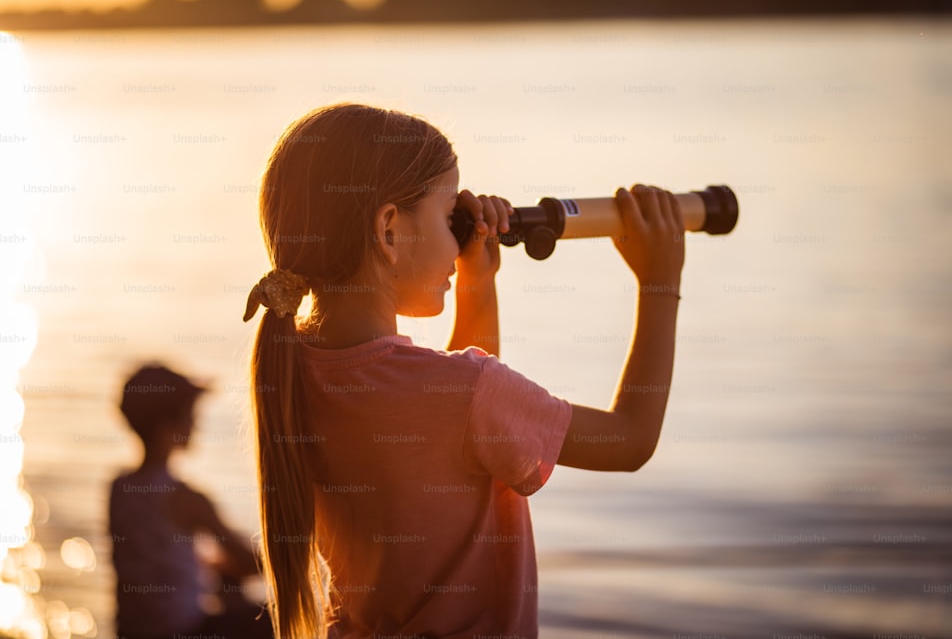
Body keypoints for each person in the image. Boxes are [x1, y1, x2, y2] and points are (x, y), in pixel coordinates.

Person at [242, 103, 685, 639]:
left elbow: (454, 430)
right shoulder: (464, 391)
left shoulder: (296, 371)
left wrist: (478, 277)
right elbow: (630, 440)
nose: (460, 237)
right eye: (449, 214)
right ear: (388, 231)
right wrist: (659, 280)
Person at [109, 363, 273, 639]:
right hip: (181, 632)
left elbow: (150, 557)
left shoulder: (120, 488)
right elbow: (249, 563)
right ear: (166, 428)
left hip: (131, 632)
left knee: (223, 578)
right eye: (190, 415)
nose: (196, 423)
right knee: (271, 616)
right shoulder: (186, 499)